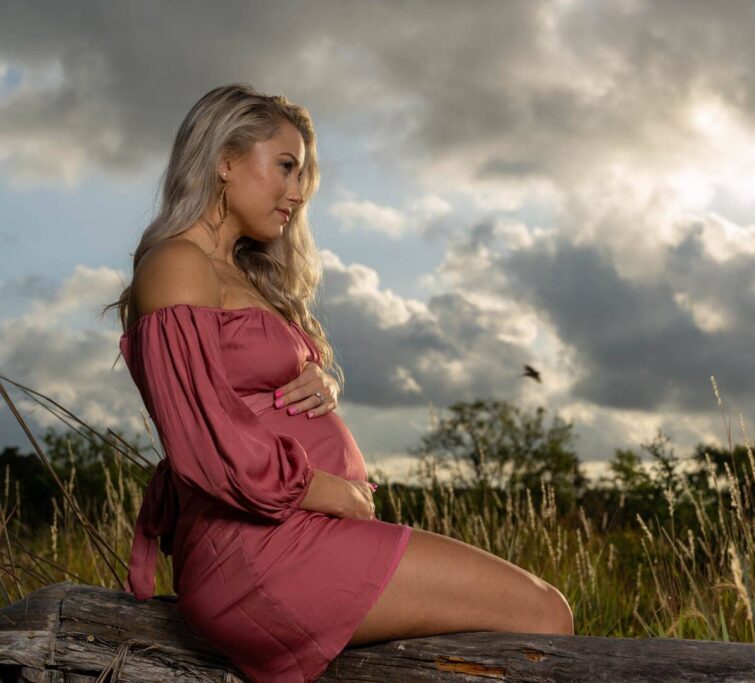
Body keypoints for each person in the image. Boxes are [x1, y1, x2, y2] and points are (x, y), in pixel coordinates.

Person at [107, 83, 573, 683]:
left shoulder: (237, 271)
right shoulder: (177, 262)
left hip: (295, 536)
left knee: (529, 621)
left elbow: (243, 387)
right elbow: (201, 443)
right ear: (224, 159)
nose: (297, 193)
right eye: (285, 167)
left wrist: (317, 386)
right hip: (260, 552)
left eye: (304, 176)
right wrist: (325, 488)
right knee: (542, 613)